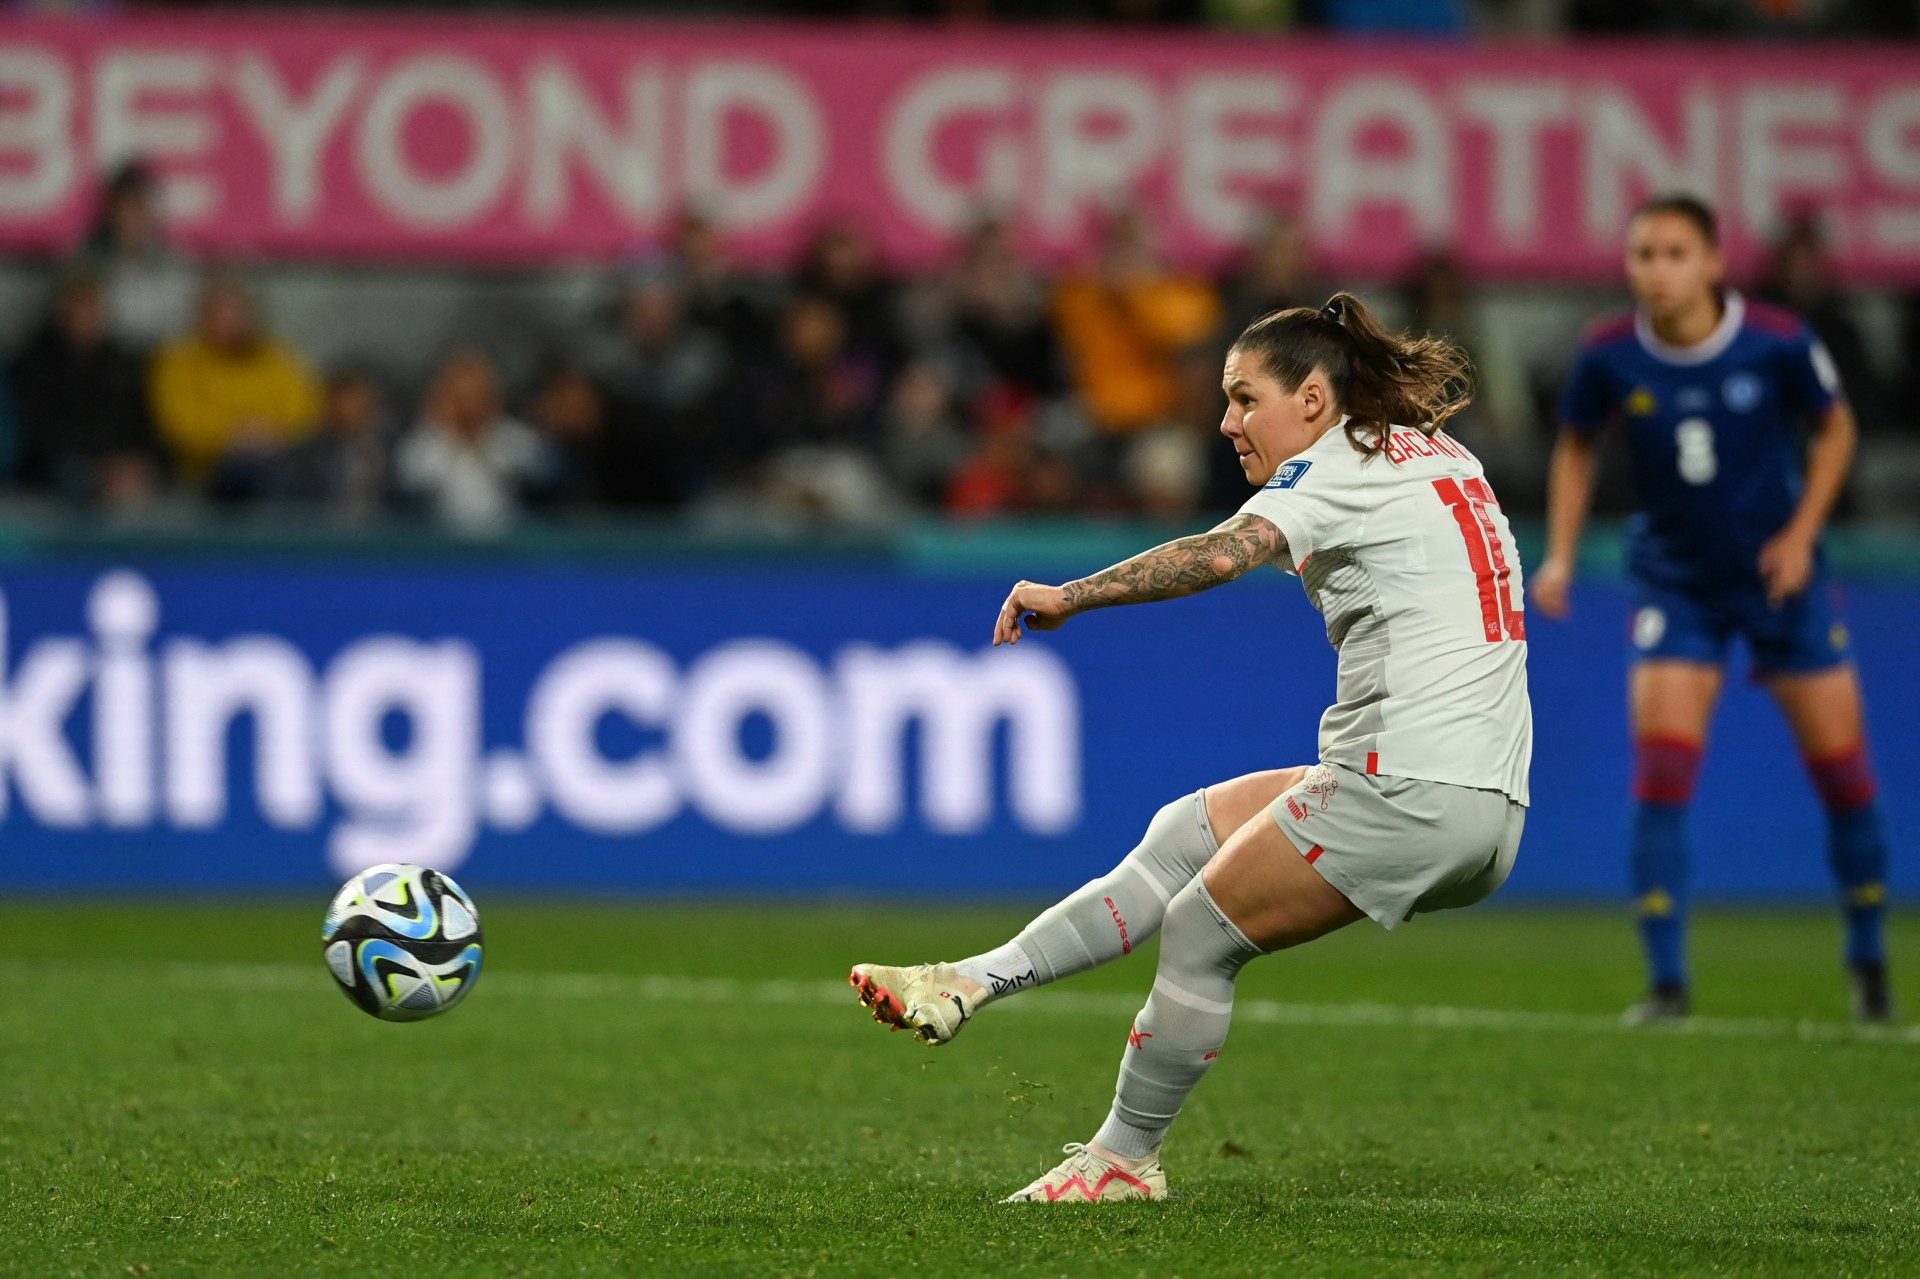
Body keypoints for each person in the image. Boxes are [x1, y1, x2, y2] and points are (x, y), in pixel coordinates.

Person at [851, 292, 1531, 1202]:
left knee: (1201, 927)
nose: (1227, 422)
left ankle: (1123, 1160)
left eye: (1246, 398)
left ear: (1315, 399)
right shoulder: (1437, 453)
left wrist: (1072, 595)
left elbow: (1218, 555)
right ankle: (967, 981)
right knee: (1186, 833)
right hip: (1487, 801)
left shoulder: (1336, 465)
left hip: (1406, 785)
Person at [1533, 194, 1892, 1023]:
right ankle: (1667, 984)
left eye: (1675, 254)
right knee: (1662, 777)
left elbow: (1836, 430)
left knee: (1844, 776)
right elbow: (1576, 444)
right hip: (1677, 584)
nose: (1657, 271)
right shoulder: (1609, 353)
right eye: (1644, 254)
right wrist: (1560, 553)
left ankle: (1870, 963)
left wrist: (1801, 533)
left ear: (1714, 263)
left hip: (1781, 582)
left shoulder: (1777, 340)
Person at [147, 274, 323, 492]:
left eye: (239, 315)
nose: (234, 324)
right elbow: (181, 424)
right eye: (223, 317)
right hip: (208, 473)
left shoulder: (279, 356)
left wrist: (271, 432)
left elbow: (306, 410)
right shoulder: (180, 361)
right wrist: (234, 435)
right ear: (203, 319)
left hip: (279, 458)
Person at [9, 268, 160, 506]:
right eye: (76, 309)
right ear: (61, 314)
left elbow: (142, 424)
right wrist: (98, 467)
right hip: (54, 470)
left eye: (90, 309)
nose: (83, 318)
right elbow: (37, 432)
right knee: (75, 478)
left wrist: (133, 462)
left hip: (117, 467)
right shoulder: (34, 364)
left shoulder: (123, 364)